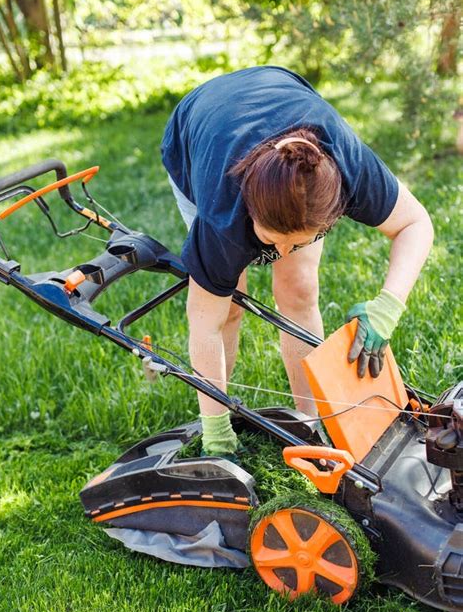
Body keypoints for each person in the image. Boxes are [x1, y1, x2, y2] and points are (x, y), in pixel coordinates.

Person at [161, 66, 433, 459]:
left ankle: (311, 427)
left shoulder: (348, 167)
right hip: (198, 126)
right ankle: (216, 419)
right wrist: (216, 432)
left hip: (276, 93)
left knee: (299, 289)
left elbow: (415, 223)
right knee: (229, 304)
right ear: (250, 211)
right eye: (272, 242)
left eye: (298, 242)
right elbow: (204, 322)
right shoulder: (223, 213)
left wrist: (387, 307)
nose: (280, 254)